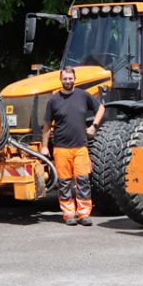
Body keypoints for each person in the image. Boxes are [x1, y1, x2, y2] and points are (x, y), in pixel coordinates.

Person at [40, 67, 104, 225]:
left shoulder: (83, 95)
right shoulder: (54, 100)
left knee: (83, 181)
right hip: (61, 148)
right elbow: (47, 125)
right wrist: (44, 146)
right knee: (64, 182)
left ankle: (84, 214)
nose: (68, 81)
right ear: (61, 80)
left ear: (74, 79)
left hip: (81, 146)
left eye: (70, 78)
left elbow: (101, 107)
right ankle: (68, 214)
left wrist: (94, 126)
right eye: (65, 78)